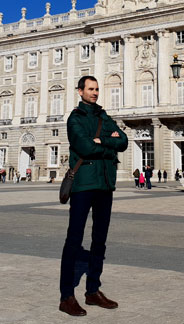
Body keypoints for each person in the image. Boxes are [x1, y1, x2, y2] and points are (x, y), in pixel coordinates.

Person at [59, 75, 127, 317]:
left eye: (97, 89)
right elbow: (85, 147)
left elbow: (125, 141)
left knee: (100, 240)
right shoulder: (75, 118)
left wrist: (102, 141)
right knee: (74, 240)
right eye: (90, 89)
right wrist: (110, 145)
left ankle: (92, 291)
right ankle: (66, 296)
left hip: (105, 183)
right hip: (83, 185)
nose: (95, 93)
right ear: (80, 91)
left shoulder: (104, 117)